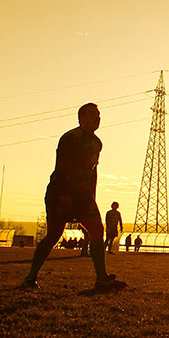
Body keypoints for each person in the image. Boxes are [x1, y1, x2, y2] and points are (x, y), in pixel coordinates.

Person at [22, 104, 126, 291]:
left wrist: (92, 195)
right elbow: (62, 166)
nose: (98, 118)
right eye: (93, 114)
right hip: (61, 192)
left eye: (99, 115)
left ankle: (101, 279)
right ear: (81, 117)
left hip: (83, 195)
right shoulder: (70, 138)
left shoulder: (97, 143)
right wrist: (63, 195)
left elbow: (93, 171)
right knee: (54, 235)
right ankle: (30, 278)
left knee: (96, 229)